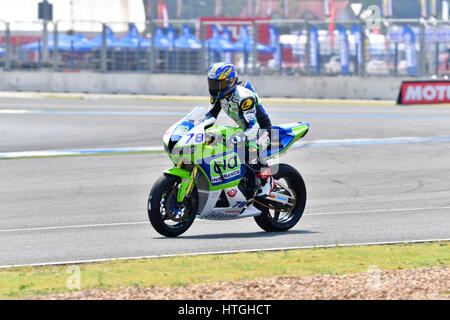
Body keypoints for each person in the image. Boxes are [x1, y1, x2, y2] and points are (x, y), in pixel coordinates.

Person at [204, 62, 274, 198]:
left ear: (230, 82)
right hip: (243, 129)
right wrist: (197, 128)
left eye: (219, 84)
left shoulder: (244, 97)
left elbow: (253, 126)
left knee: (252, 150)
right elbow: (209, 117)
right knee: (217, 143)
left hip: (261, 129)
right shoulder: (219, 97)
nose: (215, 88)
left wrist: (240, 138)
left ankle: (267, 180)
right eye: (212, 84)